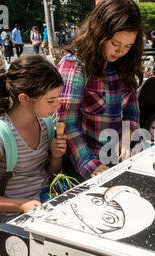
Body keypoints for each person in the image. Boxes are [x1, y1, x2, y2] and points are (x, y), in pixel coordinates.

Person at [0, 55, 66, 228]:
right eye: (50, 100)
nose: (58, 105)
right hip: (11, 219)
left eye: (57, 98)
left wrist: (56, 157)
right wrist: (21, 205)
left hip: (45, 204)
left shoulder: (45, 123)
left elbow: (49, 175)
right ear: (24, 98)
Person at [56, 0, 144, 180]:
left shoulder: (123, 64)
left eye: (128, 46)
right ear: (99, 34)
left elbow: (132, 106)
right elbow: (66, 124)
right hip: (81, 168)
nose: (120, 51)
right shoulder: (75, 65)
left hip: (116, 161)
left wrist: (127, 135)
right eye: (115, 43)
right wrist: (91, 165)